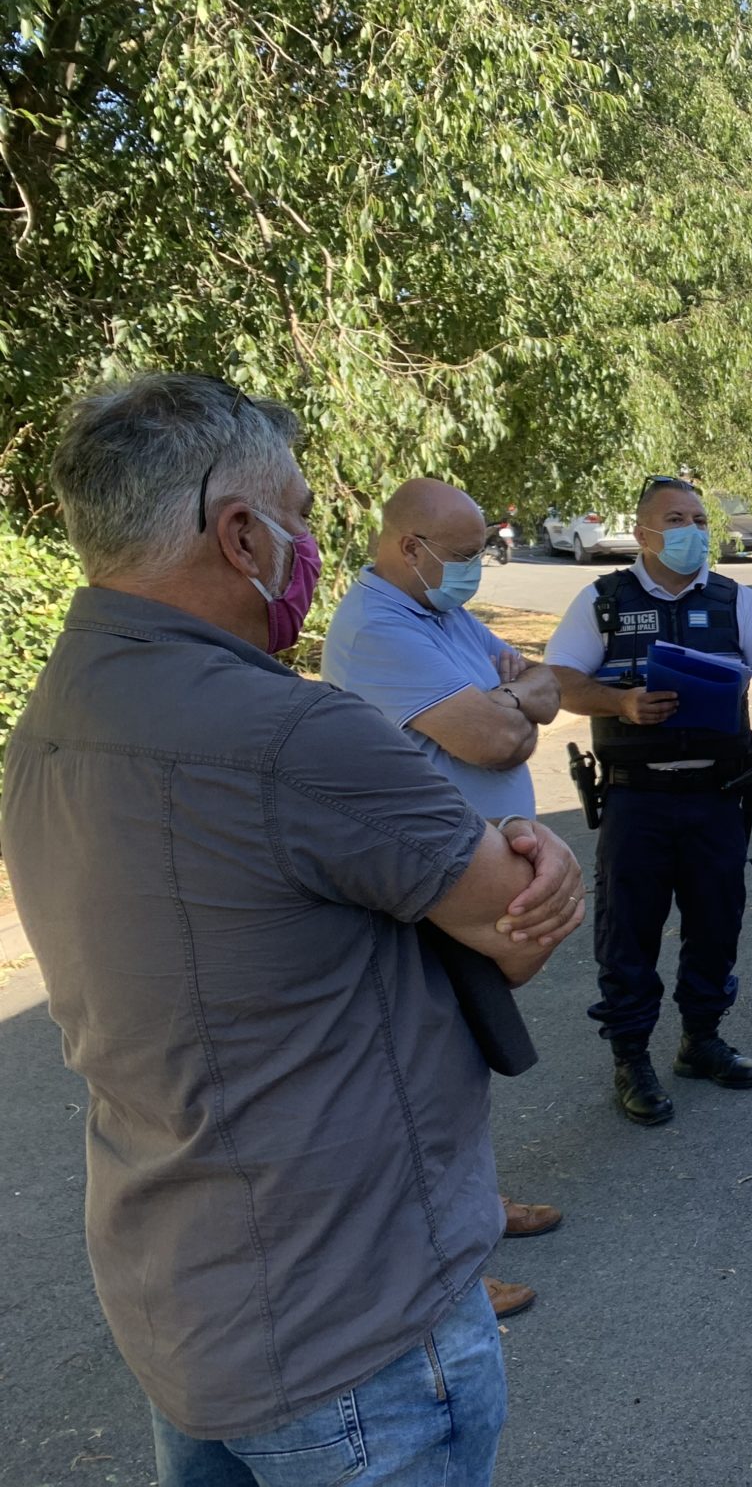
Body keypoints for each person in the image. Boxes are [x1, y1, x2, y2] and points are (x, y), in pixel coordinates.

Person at [1, 373, 585, 1486]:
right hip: (355, 1335)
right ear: (240, 536)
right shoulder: (297, 735)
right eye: (302, 518)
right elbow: (515, 925)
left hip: (181, 1306)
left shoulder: (51, 717)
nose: (313, 547)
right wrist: (529, 855)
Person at [322, 476, 568, 1319]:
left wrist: (515, 694)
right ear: (409, 548)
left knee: (458, 1062)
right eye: (463, 555)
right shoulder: (378, 629)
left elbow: (547, 683)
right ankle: (443, 1269)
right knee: (415, 1075)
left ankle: (473, 1208)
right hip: (420, 886)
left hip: (461, 879)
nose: (476, 569)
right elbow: (497, 739)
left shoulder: (441, 614)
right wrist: (511, 702)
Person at [546, 477, 752, 1125]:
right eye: (676, 519)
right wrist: (619, 702)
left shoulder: (735, 599)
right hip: (636, 798)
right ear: (643, 532)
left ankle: (701, 1040)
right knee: (628, 932)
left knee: (715, 925)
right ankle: (631, 1057)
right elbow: (557, 680)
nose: (692, 531)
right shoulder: (604, 601)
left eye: (699, 519)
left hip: (715, 797)